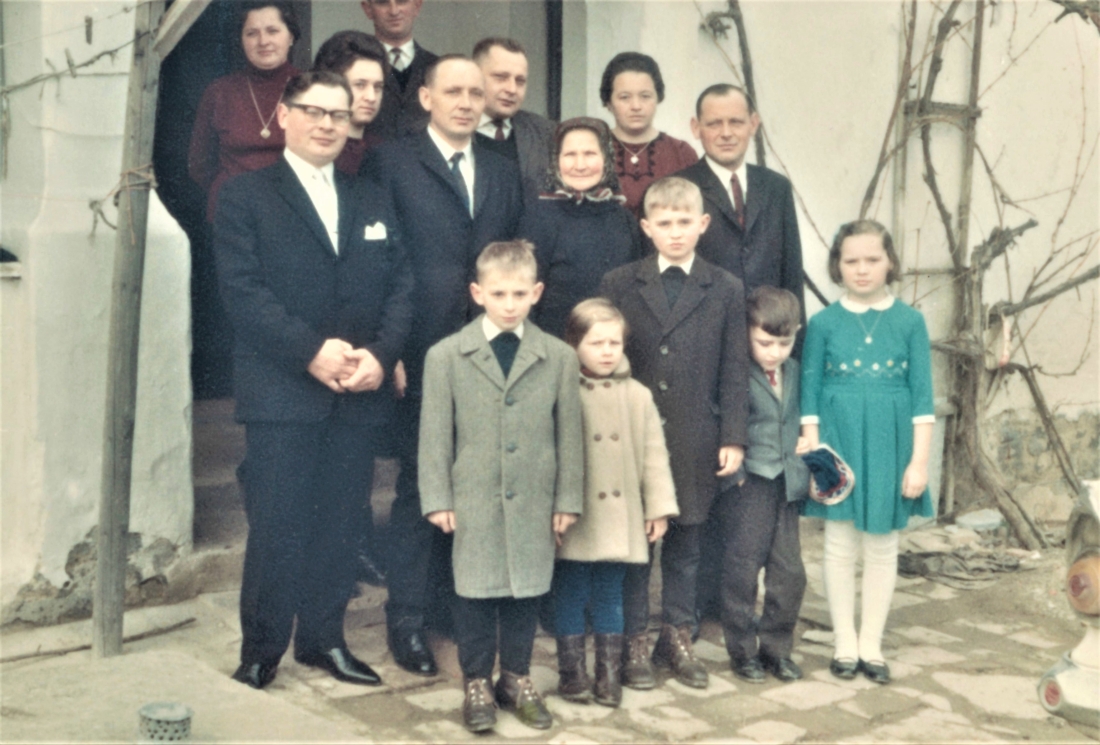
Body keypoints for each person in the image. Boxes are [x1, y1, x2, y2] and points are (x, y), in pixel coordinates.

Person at [213, 70, 413, 690]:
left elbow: (401, 284)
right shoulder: (245, 197)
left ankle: (324, 642)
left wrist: (382, 353)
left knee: (339, 522)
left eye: (338, 113)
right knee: (278, 523)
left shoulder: (370, 198)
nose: (327, 124)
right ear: (286, 117)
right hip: (283, 391)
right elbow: (243, 294)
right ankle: (262, 650)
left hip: (357, 390)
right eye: (314, 112)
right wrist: (309, 353)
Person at [361, 54, 525, 678]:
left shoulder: (504, 169)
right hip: (420, 351)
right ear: (424, 97)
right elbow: (381, 263)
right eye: (452, 90)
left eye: (476, 92)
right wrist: (393, 348)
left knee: (475, 484)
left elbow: (511, 258)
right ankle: (405, 619)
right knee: (418, 487)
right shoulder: (393, 161)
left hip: (486, 353)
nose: (466, 101)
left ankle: (452, 608)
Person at [418, 240, 583, 732]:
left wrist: (567, 499)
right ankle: (476, 681)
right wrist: (438, 497)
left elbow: (569, 436)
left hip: (535, 493)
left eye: (518, 293)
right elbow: (434, 436)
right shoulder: (446, 355)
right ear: (477, 292)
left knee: (526, 589)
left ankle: (516, 676)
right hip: (473, 494)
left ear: (536, 292)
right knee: (473, 589)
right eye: (498, 293)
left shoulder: (556, 356)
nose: (509, 304)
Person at [598, 176, 749, 691]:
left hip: (694, 436)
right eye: (664, 223)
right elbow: (606, 357)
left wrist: (732, 435)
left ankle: (677, 635)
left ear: (703, 225)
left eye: (685, 222)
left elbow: (733, 367)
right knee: (639, 544)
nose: (676, 232)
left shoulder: (725, 287)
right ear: (646, 228)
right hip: (634, 436)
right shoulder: (620, 282)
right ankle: (635, 639)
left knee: (686, 542)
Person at [676, 83, 806, 627]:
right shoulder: (682, 189)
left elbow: (790, 268)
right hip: (709, 349)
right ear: (695, 128)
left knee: (760, 479)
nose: (725, 132)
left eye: (735, 122)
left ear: (754, 123)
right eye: (714, 123)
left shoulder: (775, 188)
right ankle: (710, 601)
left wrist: (786, 345)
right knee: (718, 474)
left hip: (766, 352)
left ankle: (749, 596)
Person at [800, 219, 935, 686]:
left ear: (890, 262)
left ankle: (872, 645)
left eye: (872, 260)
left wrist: (918, 462)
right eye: (851, 261)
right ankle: (844, 642)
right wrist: (817, 458)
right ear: (837, 266)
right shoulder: (822, 324)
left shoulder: (910, 322)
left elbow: (922, 402)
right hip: (838, 444)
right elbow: (810, 398)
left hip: (891, 444)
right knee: (839, 544)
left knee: (881, 544)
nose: (862, 270)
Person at [554, 298, 679, 708]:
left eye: (614, 342)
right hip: (576, 513)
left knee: (611, 593)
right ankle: (572, 673)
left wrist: (657, 506)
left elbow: (653, 454)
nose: (607, 351)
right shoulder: (562, 391)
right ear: (574, 345)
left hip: (618, 516)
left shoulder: (638, 395)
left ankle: (609, 673)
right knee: (571, 592)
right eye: (596, 342)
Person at [722, 286, 812, 684]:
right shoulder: (735, 370)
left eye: (784, 342)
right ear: (747, 334)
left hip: (788, 484)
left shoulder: (796, 371)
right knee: (742, 570)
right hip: (752, 483)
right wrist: (736, 476)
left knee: (790, 573)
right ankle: (742, 652)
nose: (774, 352)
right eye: (764, 342)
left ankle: (777, 649)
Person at [519, 117, 643, 339]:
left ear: (606, 158)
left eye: (589, 154)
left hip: (610, 350)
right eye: (570, 155)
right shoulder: (537, 218)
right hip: (553, 348)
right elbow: (524, 297)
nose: (580, 165)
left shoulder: (624, 220)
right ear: (556, 160)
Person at [189, 1, 300, 222]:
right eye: (252, 33)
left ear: (291, 37)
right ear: (241, 40)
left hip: (293, 214)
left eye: (273, 31)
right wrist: (229, 192)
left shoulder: (310, 88)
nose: (263, 41)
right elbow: (199, 163)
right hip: (233, 213)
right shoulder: (220, 91)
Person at [600, 52, 698, 220]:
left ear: (658, 98)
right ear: (609, 103)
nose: (636, 106)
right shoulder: (593, 151)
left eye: (645, 96)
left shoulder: (681, 153)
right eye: (624, 97)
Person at [472, 37, 555, 193]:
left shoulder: (547, 133)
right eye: (501, 78)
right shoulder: (446, 130)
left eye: (520, 81)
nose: (512, 89)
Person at [313, 31, 388, 175]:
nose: (371, 97)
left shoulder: (383, 151)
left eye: (377, 87)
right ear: (332, 84)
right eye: (360, 85)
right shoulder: (317, 148)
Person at [360, 0, 437, 140]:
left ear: (417, 5)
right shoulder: (352, 67)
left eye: (402, 1)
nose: (394, 11)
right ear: (367, 9)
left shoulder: (438, 68)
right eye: (382, 2)